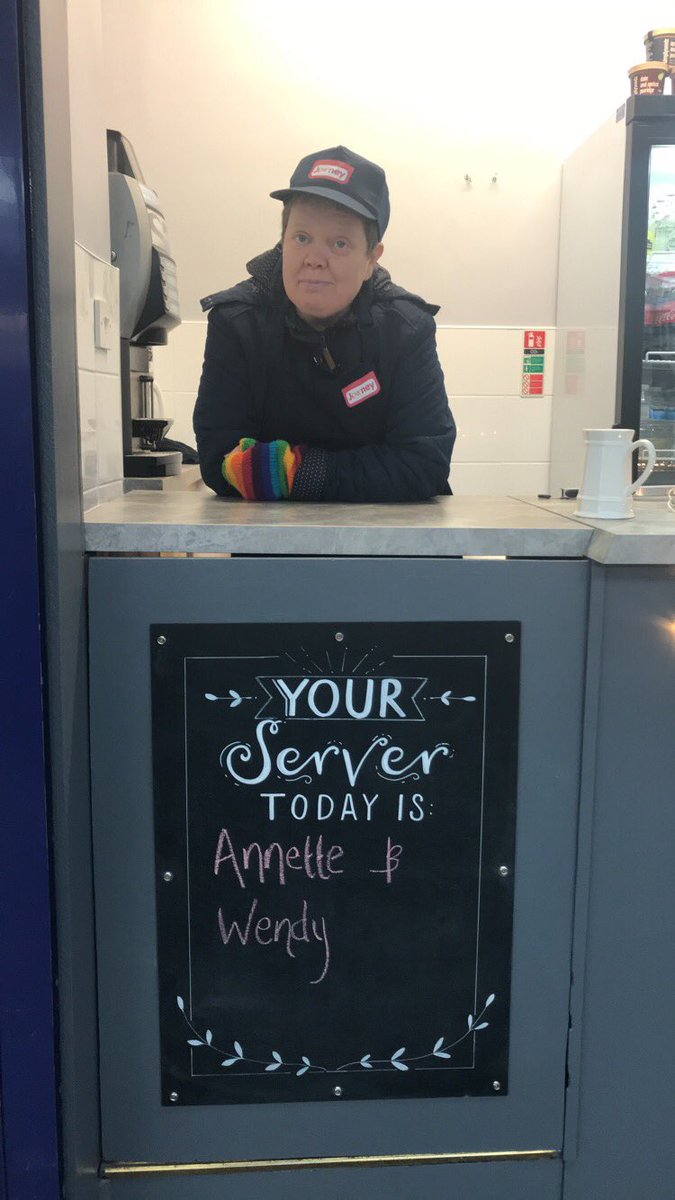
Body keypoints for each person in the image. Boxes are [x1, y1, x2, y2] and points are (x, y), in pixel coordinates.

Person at [193, 145, 456, 502]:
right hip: (271, 548)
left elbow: (424, 463)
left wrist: (295, 471)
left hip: (390, 545)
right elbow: (220, 461)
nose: (315, 259)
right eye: (302, 238)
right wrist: (368, 471)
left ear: (371, 260)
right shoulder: (238, 324)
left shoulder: (406, 329)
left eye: (340, 243)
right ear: (283, 241)